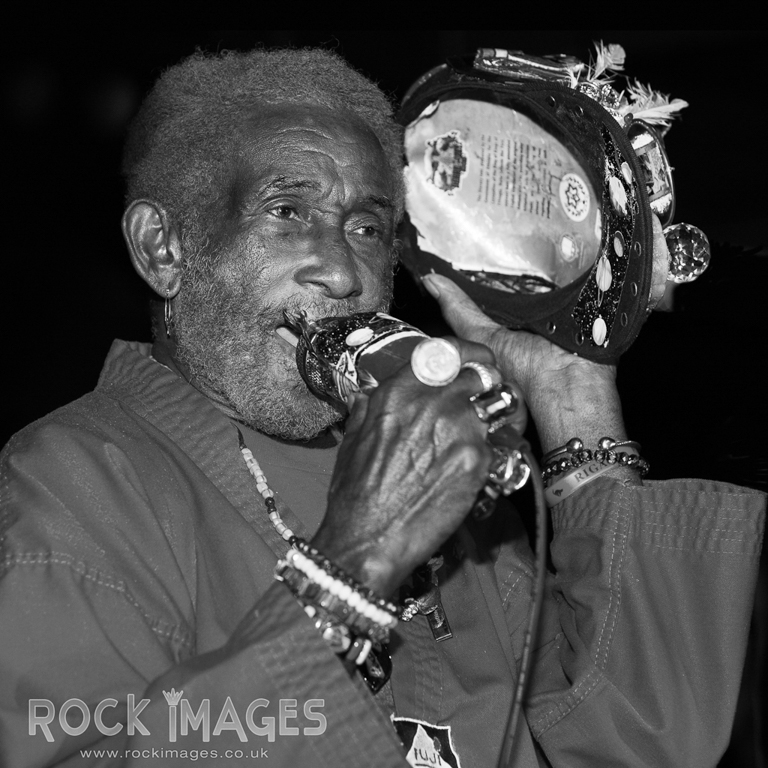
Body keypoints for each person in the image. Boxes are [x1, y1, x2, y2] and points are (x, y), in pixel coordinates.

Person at [0, 47, 764, 768]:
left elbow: (645, 742)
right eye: (288, 213)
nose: (342, 272)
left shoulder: (446, 480)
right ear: (164, 250)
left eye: (367, 227)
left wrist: (572, 397)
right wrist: (352, 566)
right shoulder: (68, 483)